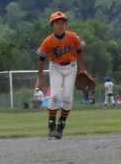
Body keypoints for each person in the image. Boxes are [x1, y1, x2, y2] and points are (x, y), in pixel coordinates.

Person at [36, 11, 91, 139]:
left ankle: (61, 125)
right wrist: (40, 79)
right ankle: (51, 124)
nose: (60, 25)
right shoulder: (48, 41)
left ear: (66, 24)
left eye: (63, 22)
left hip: (71, 67)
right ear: (52, 26)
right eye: (57, 23)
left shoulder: (72, 37)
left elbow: (80, 52)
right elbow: (41, 60)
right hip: (55, 67)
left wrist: (83, 69)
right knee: (55, 96)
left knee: (67, 98)